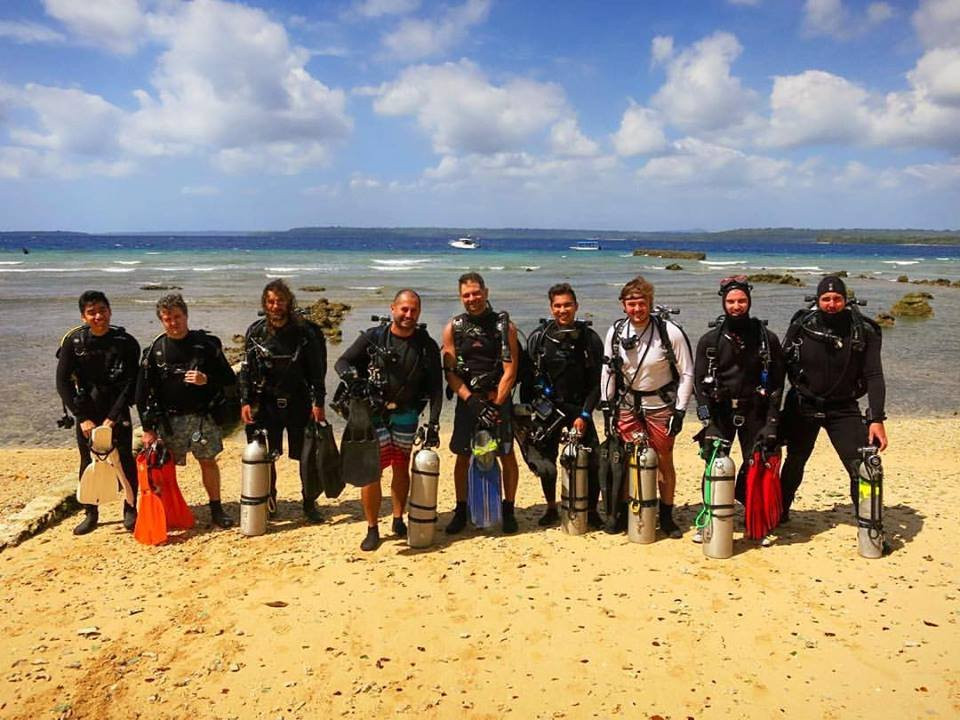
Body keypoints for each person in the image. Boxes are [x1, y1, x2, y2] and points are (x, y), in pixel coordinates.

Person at [334, 289, 443, 551]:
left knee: (401, 466)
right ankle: (372, 527)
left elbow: (436, 388)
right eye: (404, 309)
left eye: (414, 310)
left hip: (407, 413)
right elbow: (342, 362)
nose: (408, 314)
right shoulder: (373, 338)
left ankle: (397, 519)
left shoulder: (426, 345)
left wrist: (434, 423)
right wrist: (353, 379)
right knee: (372, 471)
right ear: (393, 308)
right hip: (373, 414)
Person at [779, 275, 888, 523]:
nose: (831, 304)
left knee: (861, 466)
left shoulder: (864, 332)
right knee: (794, 461)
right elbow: (781, 367)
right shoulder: (802, 326)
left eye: (837, 299)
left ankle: (868, 521)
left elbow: (874, 375)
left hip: (843, 408)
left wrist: (876, 419)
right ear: (817, 301)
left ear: (846, 301)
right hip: (803, 404)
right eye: (825, 299)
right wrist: (773, 412)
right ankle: (781, 512)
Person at [600, 275, 694, 538]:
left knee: (664, 461)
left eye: (642, 303)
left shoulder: (669, 332)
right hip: (627, 406)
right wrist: (607, 406)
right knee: (626, 460)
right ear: (622, 305)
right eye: (631, 304)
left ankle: (666, 515)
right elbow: (608, 371)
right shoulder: (616, 332)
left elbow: (687, 373)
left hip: (660, 407)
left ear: (650, 303)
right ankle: (628, 511)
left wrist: (680, 410)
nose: (637, 309)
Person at [692, 276, 785, 540]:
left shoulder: (768, 340)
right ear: (723, 302)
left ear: (749, 302)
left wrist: (772, 422)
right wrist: (706, 419)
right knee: (713, 466)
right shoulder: (709, 341)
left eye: (741, 301)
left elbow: (778, 383)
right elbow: (699, 384)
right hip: (720, 412)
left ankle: (756, 522)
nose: (736, 306)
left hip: (755, 410)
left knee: (756, 466)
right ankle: (710, 518)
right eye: (731, 301)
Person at [136, 293, 237, 529]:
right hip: (169, 421)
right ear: (162, 321)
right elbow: (141, 395)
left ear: (186, 316)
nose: (174, 323)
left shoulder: (206, 345)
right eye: (168, 318)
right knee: (164, 468)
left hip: (203, 418)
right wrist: (148, 429)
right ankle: (168, 511)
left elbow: (229, 379)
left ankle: (216, 509)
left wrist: (206, 380)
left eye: (178, 317)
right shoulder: (154, 352)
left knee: (208, 462)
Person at [238, 280, 327, 523]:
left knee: (307, 456)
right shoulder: (256, 332)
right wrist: (245, 400)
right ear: (265, 304)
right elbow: (246, 370)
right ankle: (270, 498)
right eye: (270, 301)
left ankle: (309, 503)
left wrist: (318, 403)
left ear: (289, 302)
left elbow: (318, 371)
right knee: (266, 455)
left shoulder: (307, 333)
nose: (275, 306)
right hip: (265, 402)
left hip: (299, 401)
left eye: (280, 301)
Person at [519, 283, 604, 528]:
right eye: (557, 306)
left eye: (567, 305)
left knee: (594, 461)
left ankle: (591, 510)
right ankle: (551, 508)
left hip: (580, 408)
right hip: (550, 410)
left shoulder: (590, 339)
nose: (562, 310)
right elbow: (528, 379)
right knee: (546, 465)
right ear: (551, 308)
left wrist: (586, 414)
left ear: (576, 306)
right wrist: (529, 412)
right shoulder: (540, 337)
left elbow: (599, 382)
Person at [442, 272, 521, 534]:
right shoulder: (453, 327)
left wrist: (496, 404)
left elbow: (511, 371)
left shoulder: (504, 326)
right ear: (460, 297)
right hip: (468, 403)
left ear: (486, 293)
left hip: (497, 402)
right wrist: (470, 401)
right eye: (466, 295)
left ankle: (508, 509)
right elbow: (450, 372)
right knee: (463, 457)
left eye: (476, 293)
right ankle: (461, 509)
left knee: (506, 455)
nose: (472, 299)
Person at [56, 291, 141, 535]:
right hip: (87, 413)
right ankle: (91, 513)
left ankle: (130, 508)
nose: (98, 316)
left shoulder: (126, 343)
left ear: (110, 311)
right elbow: (62, 383)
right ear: (83, 316)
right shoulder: (74, 343)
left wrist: (113, 418)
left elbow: (131, 383)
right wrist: (82, 418)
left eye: (102, 310)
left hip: (117, 410)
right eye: (91, 312)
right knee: (87, 462)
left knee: (125, 460)